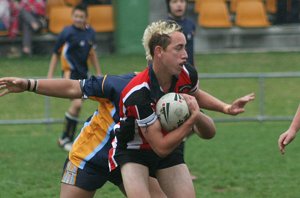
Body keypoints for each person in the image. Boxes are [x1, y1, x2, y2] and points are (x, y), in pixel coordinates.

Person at [110, 20, 255, 198]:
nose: (185, 55)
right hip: (133, 151)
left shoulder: (187, 73)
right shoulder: (139, 93)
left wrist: (226, 108)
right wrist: (192, 119)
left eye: (185, 47)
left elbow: (197, 97)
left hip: (168, 145)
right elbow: (160, 147)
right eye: (178, 48)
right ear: (159, 52)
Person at [0, 74, 167, 198]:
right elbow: (73, 87)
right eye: (178, 49)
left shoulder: (174, 92)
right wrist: (30, 84)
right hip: (89, 158)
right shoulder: (121, 85)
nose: (183, 57)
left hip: (126, 158)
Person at [47, 4, 102, 151]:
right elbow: (55, 53)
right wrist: (50, 75)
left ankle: (66, 138)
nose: (78, 19)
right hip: (69, 73)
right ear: (72, 17)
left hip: (83, 75)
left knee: (78, 108)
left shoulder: (91, 33)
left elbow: (92, 54)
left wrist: (98, 71)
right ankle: (65, 138)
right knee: (76, 105)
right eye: (76, 16)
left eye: (81, 17)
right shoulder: (67, 32)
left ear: (86, 18)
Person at [166, 0, 195, 66]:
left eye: (182, 1)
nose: (179, 5)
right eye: (175, 1)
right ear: (168, 4)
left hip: (188, 70)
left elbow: (191, 50)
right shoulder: (164, 26)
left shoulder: (191, 24)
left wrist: (194, 69)